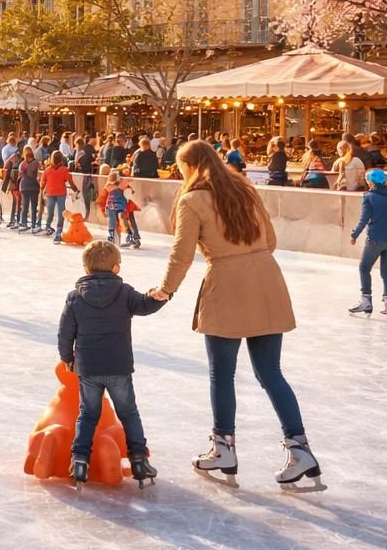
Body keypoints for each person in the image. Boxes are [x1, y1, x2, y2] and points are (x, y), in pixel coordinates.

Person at [149, 140, 321, 487]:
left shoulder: (192, 199)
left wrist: (165, 290)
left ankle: (223, 447)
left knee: (222, 373)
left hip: (226, 286)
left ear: (190, 166)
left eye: (181, 168)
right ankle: (300, 448)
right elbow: (270, 240)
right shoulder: (245, 189)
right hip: (267, 281)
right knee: (271, 373)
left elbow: (182, 254)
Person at [57, 240, 167, 488]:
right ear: (116, 268)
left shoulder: (75, 297)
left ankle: (80, 461)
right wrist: (160, 296)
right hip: (118, 367)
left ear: (86, 269)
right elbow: (145, 305)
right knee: (128, 413)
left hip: (88, 368)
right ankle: (139, 460)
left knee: (87, 415)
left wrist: (67, 358)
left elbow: (65, 333)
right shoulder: (124, 293)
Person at [347, 168, 387, 316]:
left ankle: (366, 301)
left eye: (368, 180)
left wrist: (354, 234)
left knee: (364, 268)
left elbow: (364, 219)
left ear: (371, 181)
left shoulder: (369, 197)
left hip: (376, 238)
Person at [41, 151, 80, 244]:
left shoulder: (47, 170)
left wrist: (42, 192)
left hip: (50, 193)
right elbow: (70, 182)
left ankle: (48, 226)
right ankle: (58, 232)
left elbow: (42, 183)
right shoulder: (64, 170)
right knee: (61, 213)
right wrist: (76, 190)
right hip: (60, 193)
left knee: (50, 212)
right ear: (61, 159)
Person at [103, 171, 141, 249]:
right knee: (118, 222)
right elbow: (130, 186)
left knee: (120, 221)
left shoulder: (115, 185)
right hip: (118, 206)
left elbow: (129, 187)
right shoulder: (118, 185)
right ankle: (129, 237)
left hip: (119, 206)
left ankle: (131, 237)